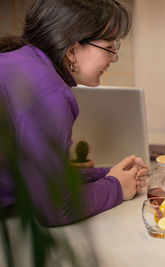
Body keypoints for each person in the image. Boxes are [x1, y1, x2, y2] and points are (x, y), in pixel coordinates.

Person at [0, 0, 148, 227]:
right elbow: (54, 208)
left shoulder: (20, 60)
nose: (114, 58)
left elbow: (42, 181)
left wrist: (106, 174)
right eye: (109, 48)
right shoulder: (48, 93)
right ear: (72, 50)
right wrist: (116, 187)